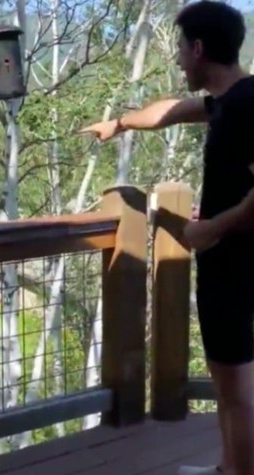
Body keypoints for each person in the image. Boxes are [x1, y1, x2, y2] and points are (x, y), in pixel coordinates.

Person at [81, 2, 254, 474]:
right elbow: (170, 112)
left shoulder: (244, 107)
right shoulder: (228, 101)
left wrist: (209, 228)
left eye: (180, 49)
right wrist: (118, 124)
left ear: (198, 49)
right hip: (228, 263)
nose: (177, 59)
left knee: (238, 391)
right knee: (228, 383)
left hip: (237, 265)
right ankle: (228, 469)